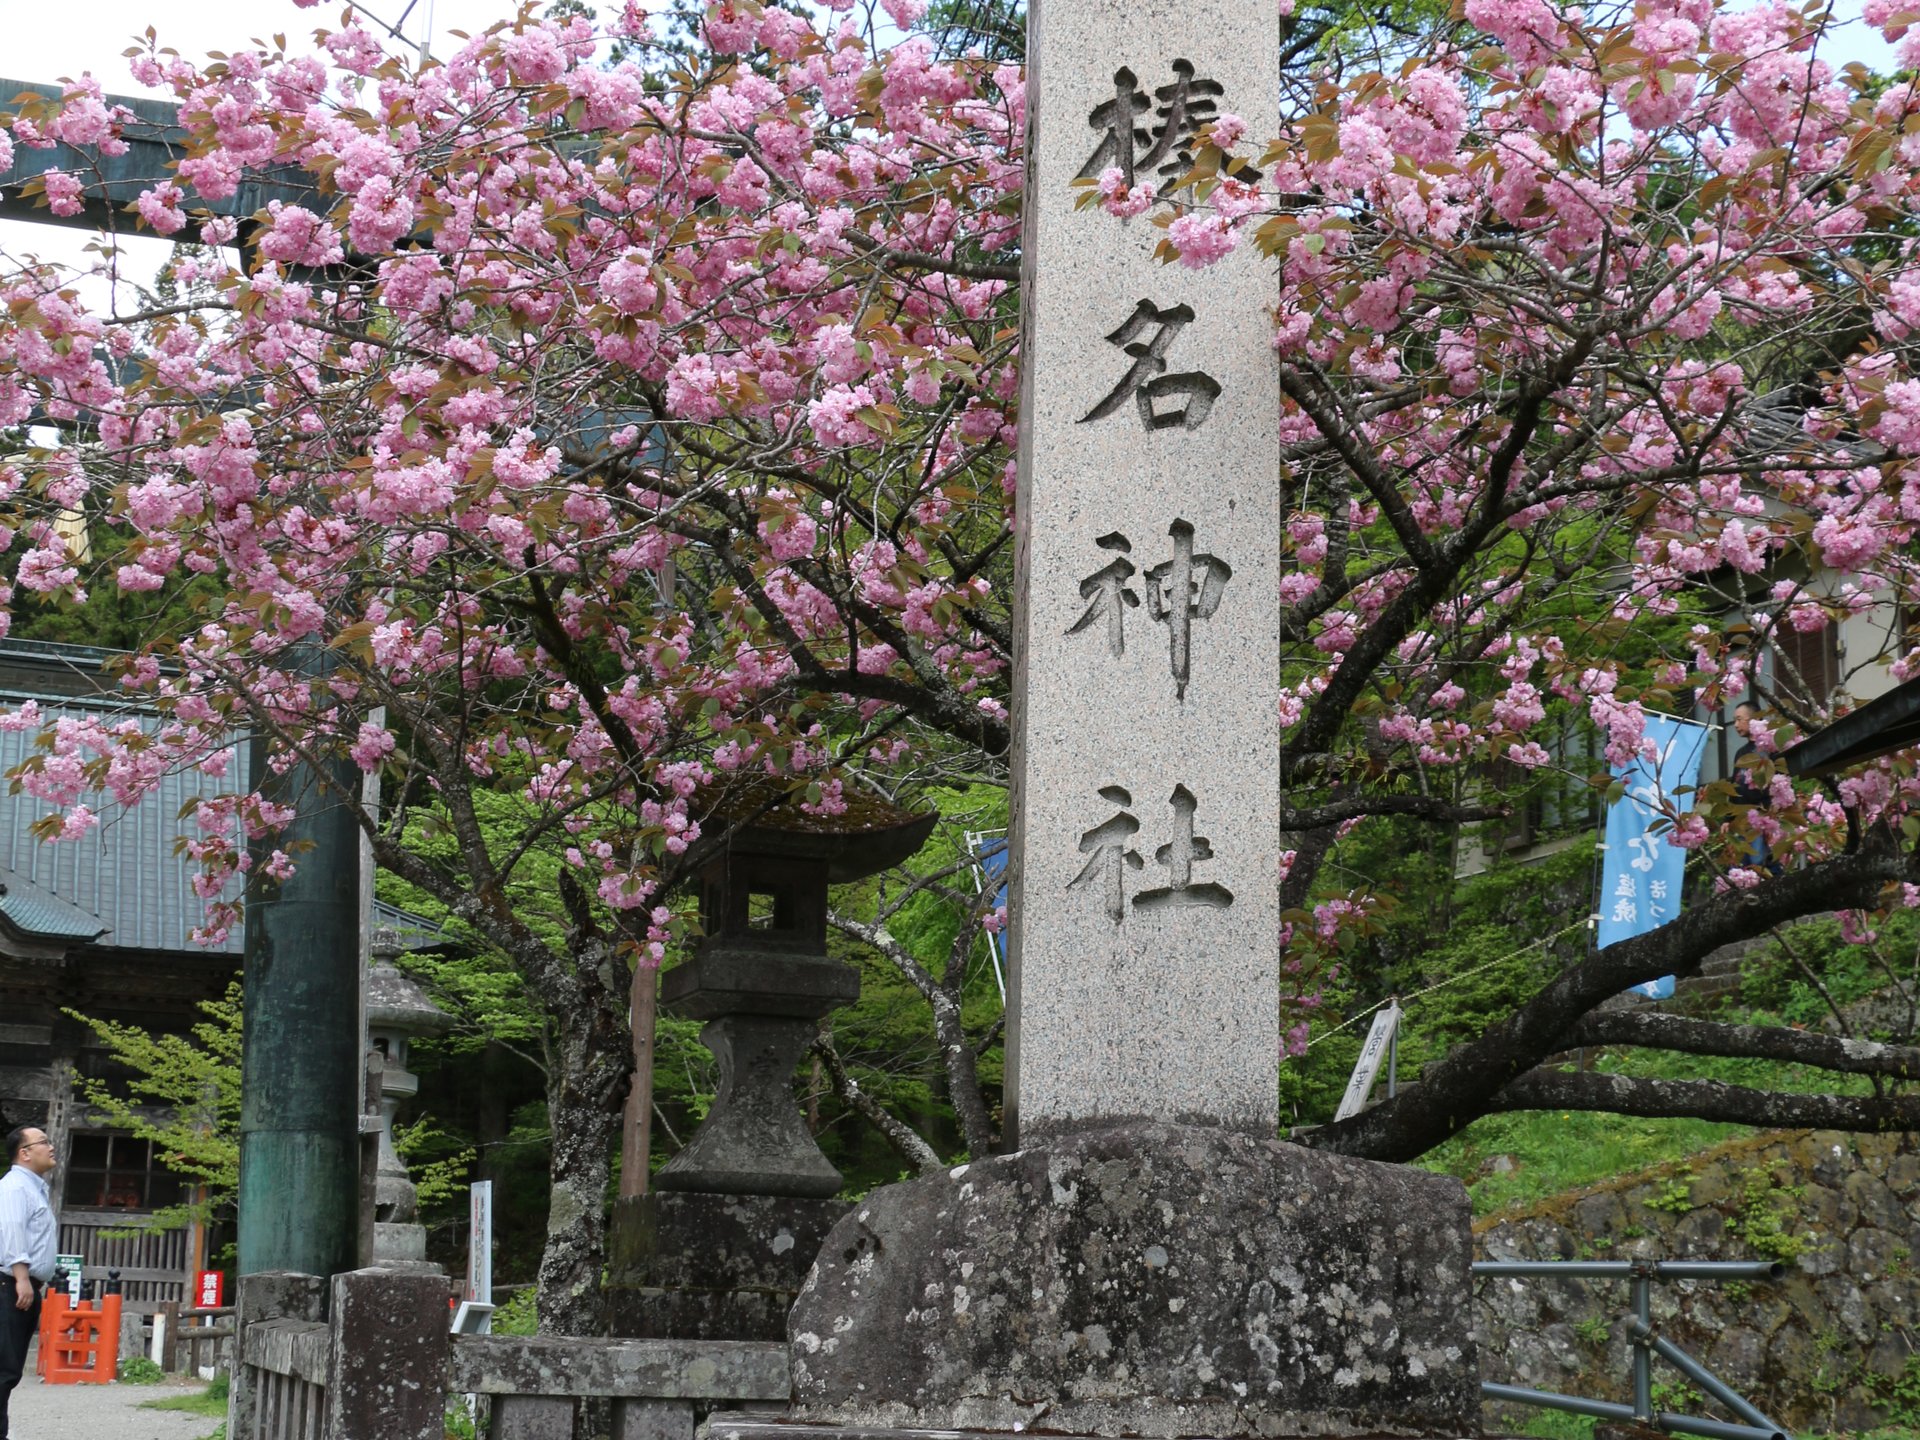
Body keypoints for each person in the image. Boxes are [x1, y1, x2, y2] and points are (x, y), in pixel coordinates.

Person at [0, 1126, 57, 1439]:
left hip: (24, 1286)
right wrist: (22, 1277)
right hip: (10, 1284)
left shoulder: (34, 1187)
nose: (51, 1147)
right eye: (44, 1142)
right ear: (24, 1153)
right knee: (3, 1369)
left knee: (8, 1369)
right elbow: (11, 1231)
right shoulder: (14, 1187)